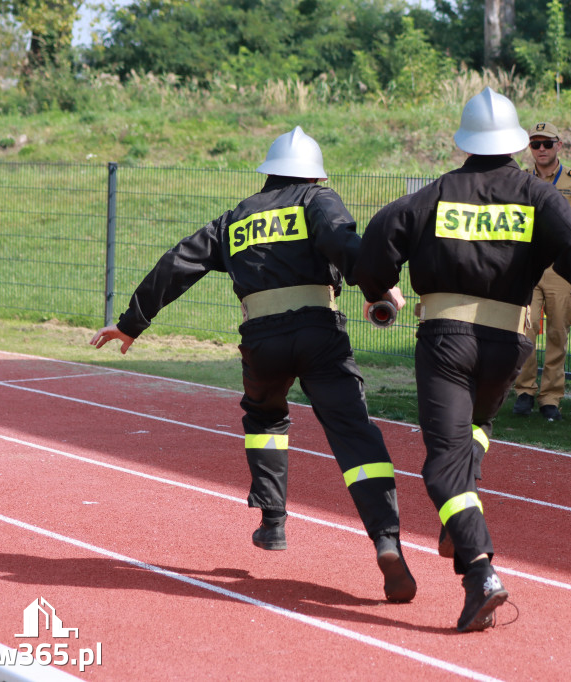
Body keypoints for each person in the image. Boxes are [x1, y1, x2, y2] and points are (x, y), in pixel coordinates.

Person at [89, 126, 416, 604]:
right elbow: (345, 243)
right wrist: (377, 288)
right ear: (313, 175)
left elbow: (179, 261)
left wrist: (131, 324)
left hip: (261, 338)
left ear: (268, 172)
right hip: (318, 329)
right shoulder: (315, 199)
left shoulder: (237, 217)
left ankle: (273, 522)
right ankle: (386, 540)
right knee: (352, 432)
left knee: (265, 417)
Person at [353, 89, 571, 632]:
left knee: (440, 464)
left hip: (446, 341)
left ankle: (479, 570)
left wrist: (379, 286)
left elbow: (377, 240)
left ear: (465, 142)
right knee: (474, 428)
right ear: (519, 143)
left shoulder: (433, 194)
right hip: (508, 346)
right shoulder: (538, 196)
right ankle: (459, 518)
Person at [512, 121, 571, 422]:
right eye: (535, 144)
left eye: (546, 144)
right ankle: (524, 392)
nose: (540, 150)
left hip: (562, 270)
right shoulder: (521, 181)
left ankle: (551, 398)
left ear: (558, 146)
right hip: (527, 268)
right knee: (525, 328)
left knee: (557, 334)